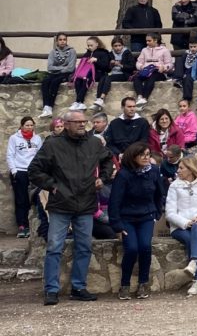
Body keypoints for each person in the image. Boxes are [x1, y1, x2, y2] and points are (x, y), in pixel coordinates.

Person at [28, 109, 114, 306]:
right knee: (54, 247)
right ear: (66, 124)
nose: (82, 124)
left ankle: (79, 287)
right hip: (61, 204)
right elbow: (34, 171)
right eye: (77, 122)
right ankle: (51, 290)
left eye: (84, 121)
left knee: (84, 247)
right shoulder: (52, 145)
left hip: (86, 204)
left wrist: (103, 178)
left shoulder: (94, 143)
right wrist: (52, 186)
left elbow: (108, 160)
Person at [108, 142, 164, 300]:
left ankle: (143, 283)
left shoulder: (153, 171)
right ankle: (124, 284)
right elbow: (115, 201)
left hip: (146, 216)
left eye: (148, 154)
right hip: (127, 218)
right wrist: (116, 224)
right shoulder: (124, 175)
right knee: (132, 248)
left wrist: (157, 213)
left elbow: (159, 194)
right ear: (133, 157)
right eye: (142, 155)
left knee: (145, 247)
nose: (146, 158)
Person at [166, 156, 197, 296]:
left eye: (181, 168)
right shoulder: (174, 186)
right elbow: (170, 213)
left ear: (191, 169)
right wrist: (185, 222)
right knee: (189, 238)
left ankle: (193, 263)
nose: (178, 170)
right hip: (179, 227)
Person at [7, 116, 43, 238]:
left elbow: (40, 155)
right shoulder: (14, 138)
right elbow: (10, 155)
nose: (29, 127)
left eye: (31, 125)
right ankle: (22, 226)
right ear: (22, 126)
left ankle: (37, 226)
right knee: (21, 199)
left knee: (35, 198)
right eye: (27, 125)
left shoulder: (37, 138)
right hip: (20, 171)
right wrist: (14, 171)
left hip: (33, 171)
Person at [39, 33, 76, 119]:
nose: (62, 41)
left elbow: (70, 68)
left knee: (55, 82)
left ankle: (50, 107)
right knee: (45, 82)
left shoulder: (71, 51)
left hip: (66, 74)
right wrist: (63, 67)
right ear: (57, 41)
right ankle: (46, 107)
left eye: (64, 40)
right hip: (54, 73)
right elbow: (49, 67)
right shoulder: (53, 52)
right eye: (60, 40)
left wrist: (59, 69)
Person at [70, 36, 111, 111]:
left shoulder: (104, 52)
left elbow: (107, 67)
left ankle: (78, 101)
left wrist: (96, 60)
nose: (89, 47)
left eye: (91, 45)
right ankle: (80, 102)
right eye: (88, 45)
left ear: (97, 44)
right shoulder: (87, 53)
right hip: (86, 73)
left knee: (86, 79)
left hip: (99, 73)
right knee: (78, 80)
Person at [132, 33, 173, 106]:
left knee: (152, 77)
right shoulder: (144, 50)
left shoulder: (164, 50)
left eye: (149, 41)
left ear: (156, 40)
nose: (147, 43)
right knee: (136, 77)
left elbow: (170, 64)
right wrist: (141, 67)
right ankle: (140, 96)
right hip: (146, 71)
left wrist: (164, 67)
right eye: (146, 41)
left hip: (159, 72)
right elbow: (138, 62)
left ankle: (145, 98)